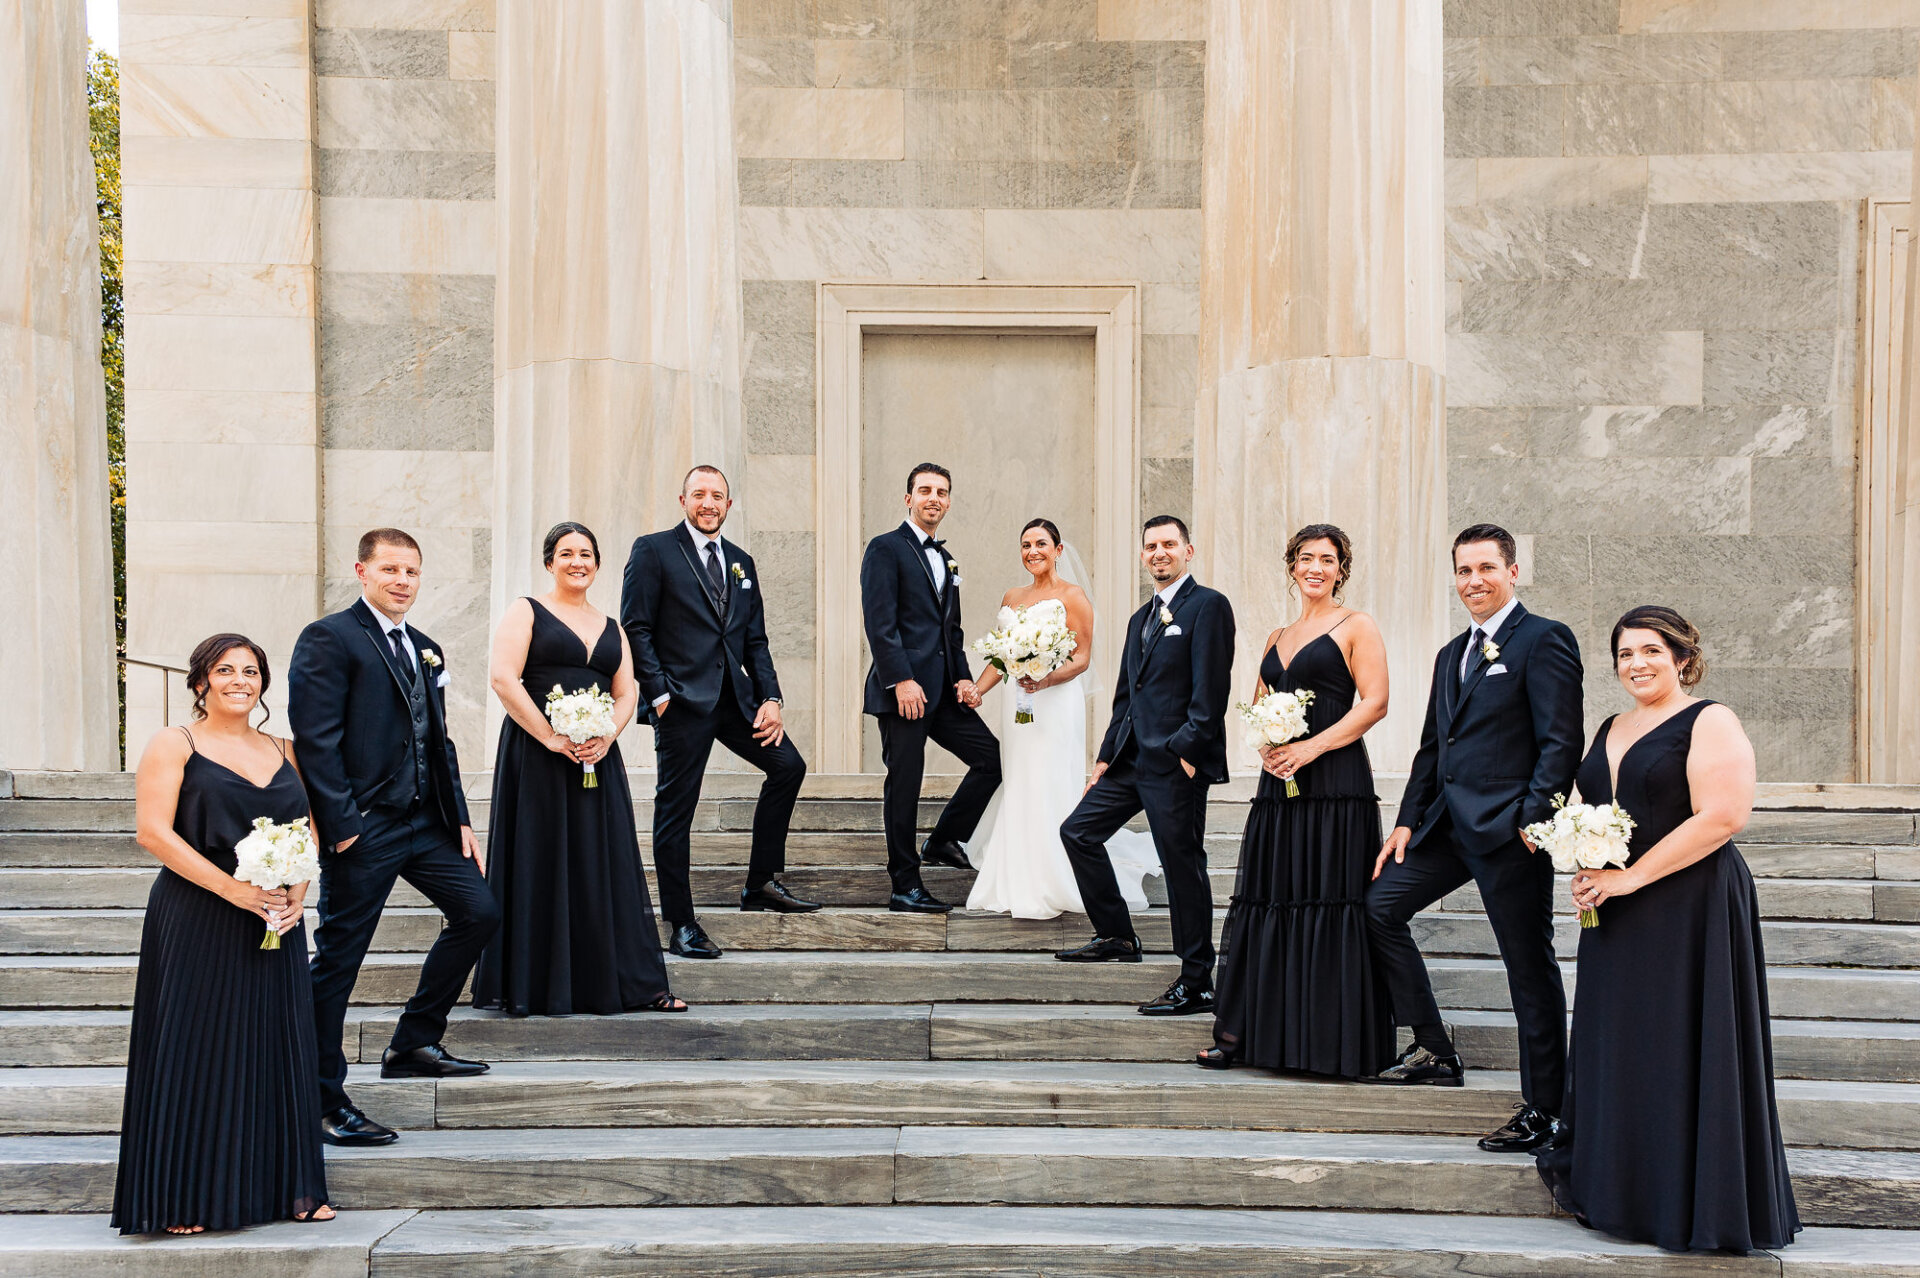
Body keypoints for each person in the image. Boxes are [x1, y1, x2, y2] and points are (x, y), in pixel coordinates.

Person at [1538, 606, 1801, 1251]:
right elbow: (1597, 809)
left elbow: (1725, 816)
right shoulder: (1611, 725)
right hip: (1618, 913)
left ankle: (1691, 1204)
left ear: (1682, 658)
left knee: (1684, 1044)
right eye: (1625, 654)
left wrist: (1630, 877)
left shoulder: (1710, 719)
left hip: (1691, 905)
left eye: (1651, 651)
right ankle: (1624, 1192)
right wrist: (1587, 862)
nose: (1637, 664)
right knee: (1624, 1046)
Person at [1363, 523, 1582, 1156]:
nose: (1474, 581)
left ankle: (1546, 1109)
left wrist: (1532, 820)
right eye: (1463, 571)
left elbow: (1562, 740)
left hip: (1510, 833)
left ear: (1513, 572)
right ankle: (1434, 1046)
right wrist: (1407, 820)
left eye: (1486, 568)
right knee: (1379, 905)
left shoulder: (1544, 641)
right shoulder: (1450, 653)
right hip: (1447, 828)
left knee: (1526, 967)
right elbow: (1435, 746)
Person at [289, 528, 501, 1148]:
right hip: (366, 827)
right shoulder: (329, 638)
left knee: (479, 912)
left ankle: (412, 1042)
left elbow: (440, 742)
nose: (402, 580)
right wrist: (342, 827)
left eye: (411, 570)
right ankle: (320, 1097)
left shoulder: (427, 648)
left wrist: (459, 817)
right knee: (338, 961)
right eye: (390, 569)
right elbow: (316, 740)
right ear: (362, 571)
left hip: (426, 823)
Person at [113, 634, 331, 1234]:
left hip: (275, 917)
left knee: (278, 1046)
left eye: (252, 671)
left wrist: (295, 895)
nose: (241, 680)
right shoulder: (174, 743)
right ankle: (186, 1197)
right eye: (226, 670)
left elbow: (306, 830)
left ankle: (294, 1188)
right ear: (202, 680)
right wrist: (235, 890)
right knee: (198, 1047)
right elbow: (154, 833)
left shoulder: (286, 750)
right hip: (198, 914)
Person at [1201, 524, 1394, 1077]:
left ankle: (1329, 1045)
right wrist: (1266, 744)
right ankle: (1250, 1036)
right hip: (1280, 787)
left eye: (1327, 560)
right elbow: (1259, 705)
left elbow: (1375, 703)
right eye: (1306, 558)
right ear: (1292, 567)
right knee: (1273, 898)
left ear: (1341, 569)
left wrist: (1309, 748)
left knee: (1329, 900)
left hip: (1334, 784)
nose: (1315, 567)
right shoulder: (1275, 635)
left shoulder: (1357, 625)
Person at [474, 522, 687, 1014]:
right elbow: (504, 679)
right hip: (537, 756)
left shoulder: (612, 625)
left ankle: (628, 984)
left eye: (586, 553)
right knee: (540, 858)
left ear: (597, 564)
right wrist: (550, 735)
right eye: (566, 553)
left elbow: (626, 690)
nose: (577, 562)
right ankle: (536, 985)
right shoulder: (527, 611)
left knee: (603, 861)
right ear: (549, 562)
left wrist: (605, 735)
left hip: (596, 758)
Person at [621, 466, 819, 960]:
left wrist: (771, 698)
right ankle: (681, 922)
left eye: (718, 496)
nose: (709, 503)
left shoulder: (741, 561)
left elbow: (755, 639)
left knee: (788, 767)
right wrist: (660, 694)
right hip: (682, 702)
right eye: (699, 495)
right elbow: (636, 626)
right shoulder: (654, 550)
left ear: (729, 505)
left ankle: (760, 884)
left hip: (737, 699)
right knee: (676, 812)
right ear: (683, 499)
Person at [1055, 515, 1236, 1017]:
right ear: (1142, 556)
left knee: (1182, 868)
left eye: (1169, 545)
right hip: (1130, 761)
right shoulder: (1140, 618)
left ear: (1188, 551)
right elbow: (1124, 698)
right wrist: (1105, 756)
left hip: (1176, 762)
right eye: (1151, 546)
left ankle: (1197, 979)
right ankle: (1116, 935)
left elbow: (1211, 691)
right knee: (1078, 832)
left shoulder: (1208, 607)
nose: (1160, 553)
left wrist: (1187, 750)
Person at [959, 518, 1160, 918]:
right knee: (1020, 778)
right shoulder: (1012, 595)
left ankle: (1060, 872)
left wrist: (1047, 678)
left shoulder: (1073, 595)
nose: (1032, 551)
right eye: (1025, 545)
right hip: (1017, 705)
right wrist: (978, 689)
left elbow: (1083, 657)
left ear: (1058, 550)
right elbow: (1001, 657)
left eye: (1041, 544)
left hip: (1054, 702)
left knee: (1050, 778)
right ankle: (1016, 873)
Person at [860, 463, 1004, 913]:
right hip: (904, 691)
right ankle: (904, 884)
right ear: (908, 499)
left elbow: (951, 631)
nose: (934, 498)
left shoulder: (946, 558)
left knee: (992, 759)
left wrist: (963, 676)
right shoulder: (885, 548)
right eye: (925, 490)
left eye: (942, 491)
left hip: (942, 692)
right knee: (905, 783)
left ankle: (943, 839)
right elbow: (880, 624)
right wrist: (901, 679)